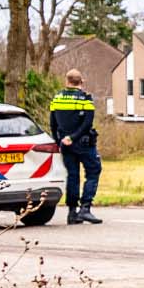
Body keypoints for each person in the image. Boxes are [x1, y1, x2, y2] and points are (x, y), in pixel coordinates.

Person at [48, 69, 103, 224]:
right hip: (83, 143)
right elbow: (87, 124)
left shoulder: (57, 98)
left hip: (65, 145)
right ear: (81, 82)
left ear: (67, 81)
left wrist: (59, 141)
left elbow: (53, 123)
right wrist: (73, 138)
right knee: (93, 171)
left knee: (72, 176)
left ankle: (72, 212)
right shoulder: (85, 99)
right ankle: (85, 208)